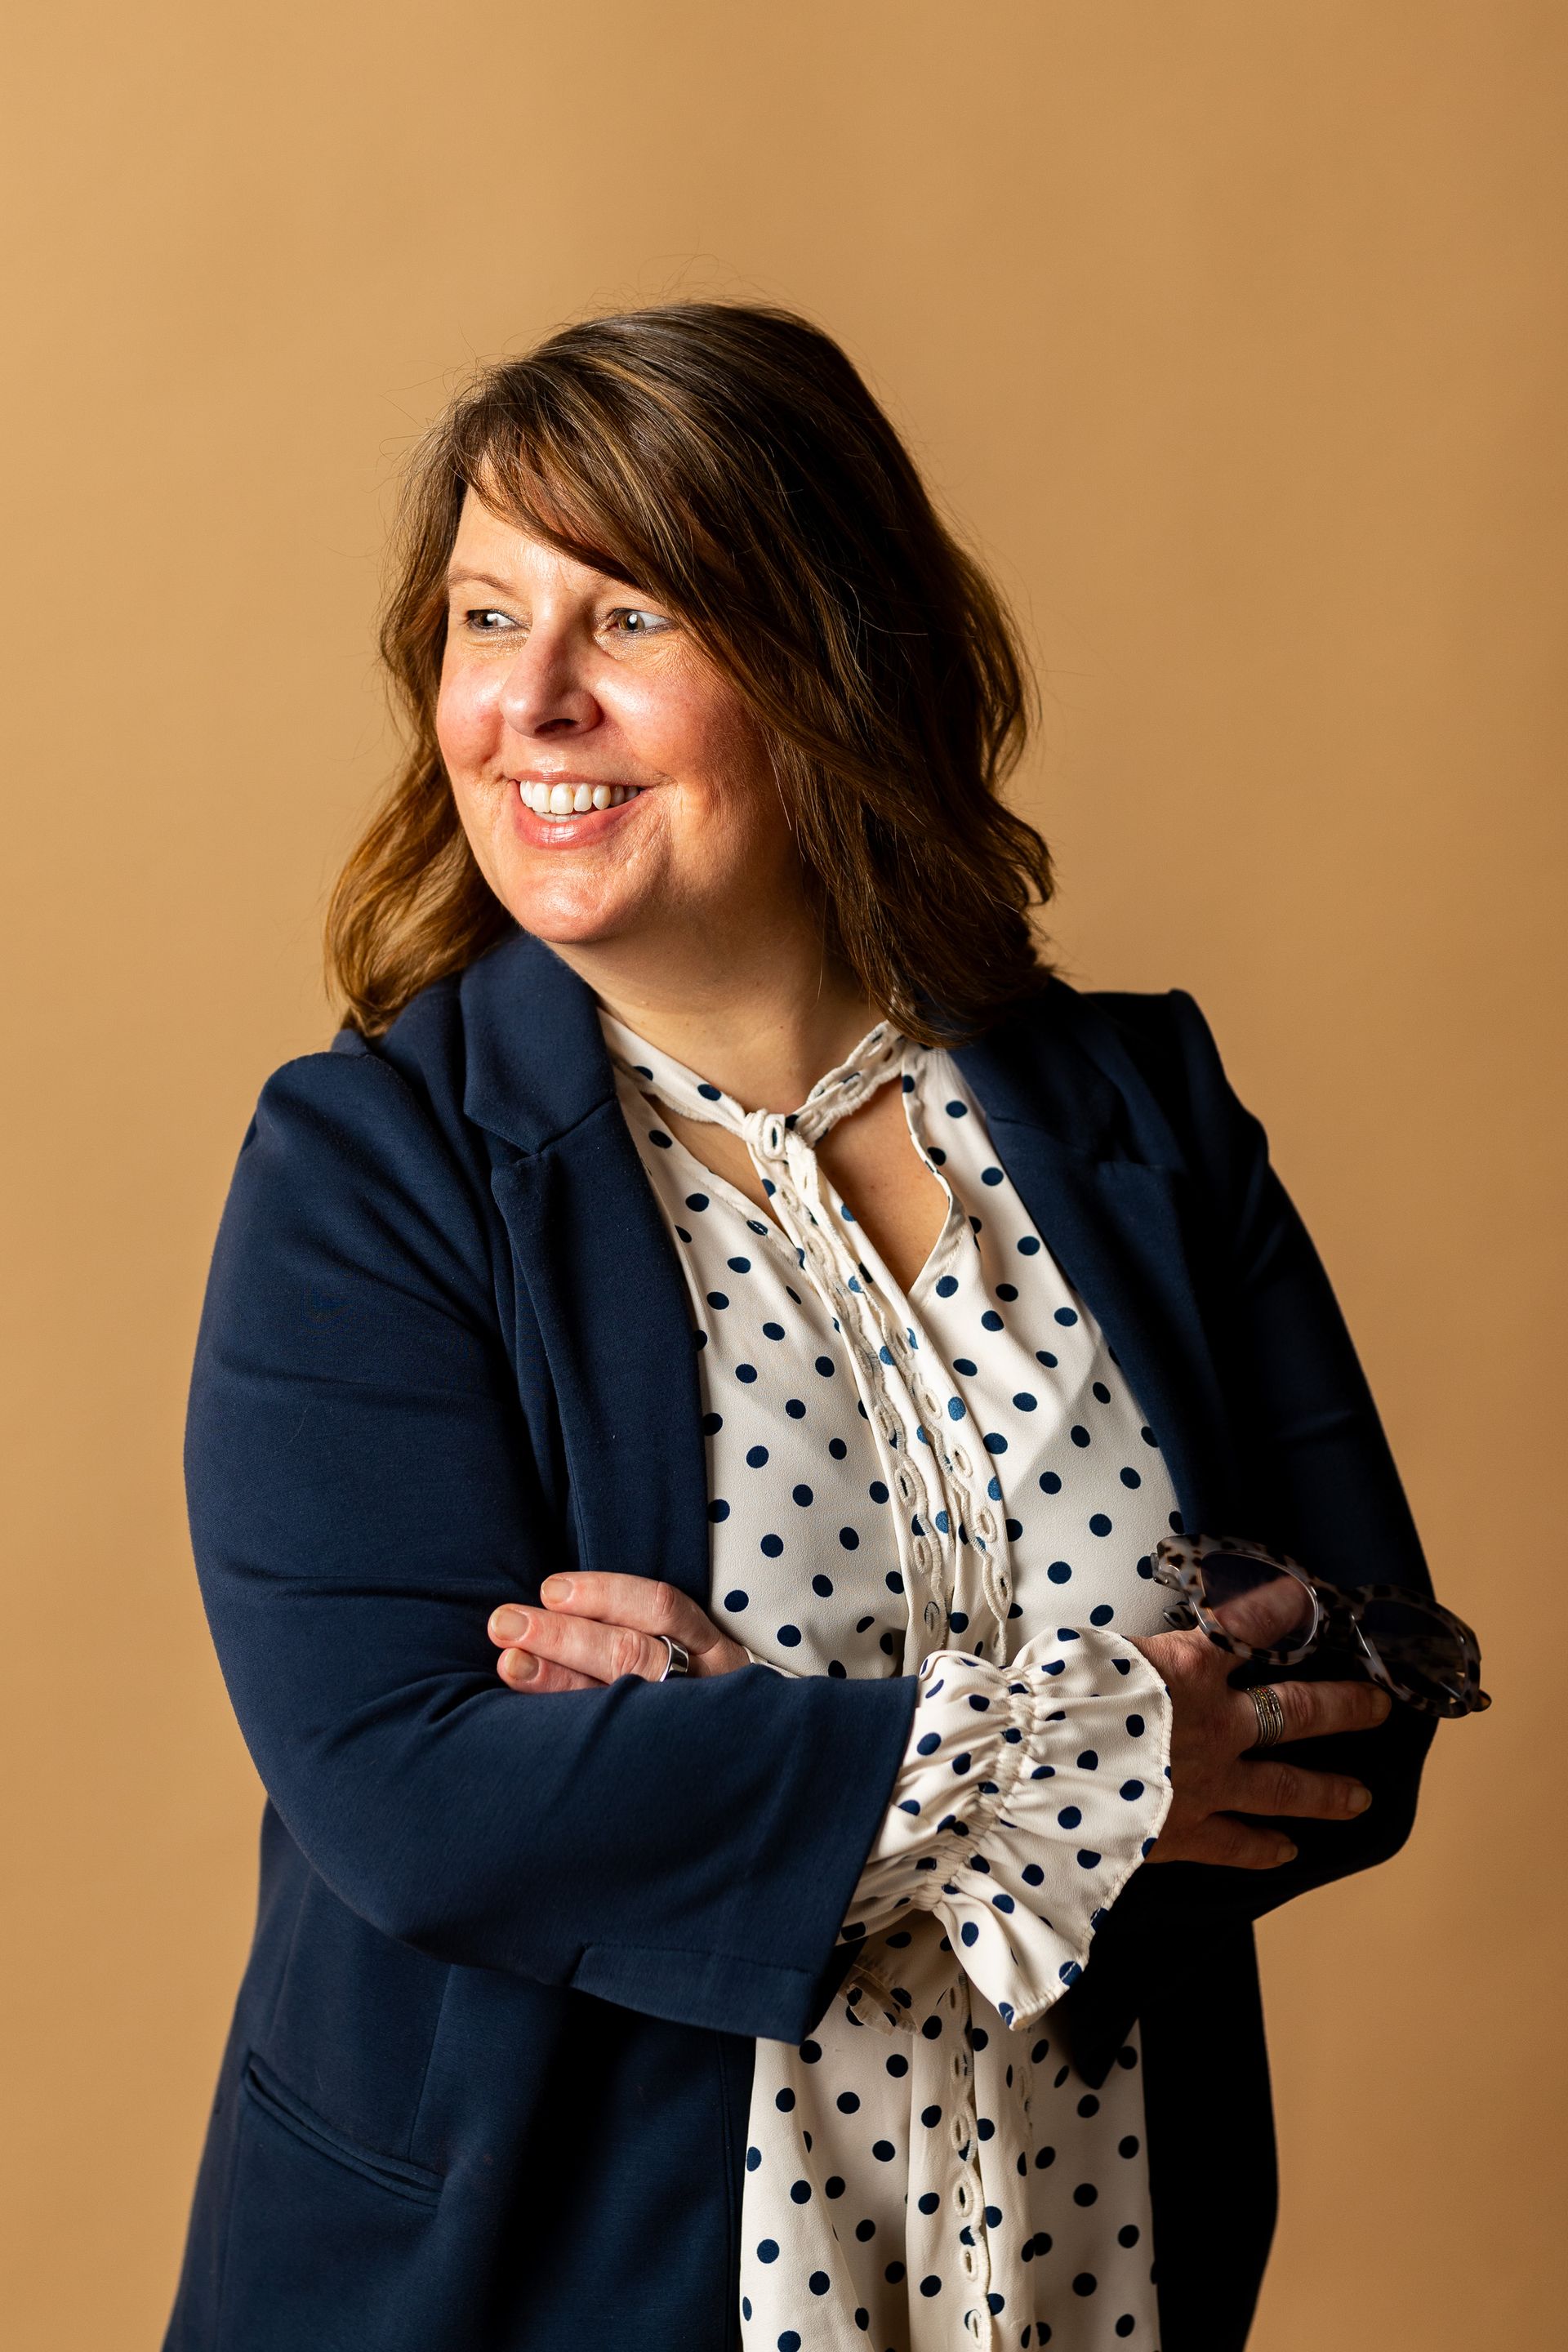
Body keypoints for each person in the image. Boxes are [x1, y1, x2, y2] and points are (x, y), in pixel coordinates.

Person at [166, 304, 1451, 2352]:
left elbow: (1366, 1693)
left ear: (830, 656)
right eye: (487, 621)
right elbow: (417, 1797)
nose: (533, 703)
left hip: (1083, 2265)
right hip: (538, 2281)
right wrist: (1101, 1744)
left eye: (635, 618)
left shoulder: (1143, 1115)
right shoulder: (368, 1167)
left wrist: (729, 1746)